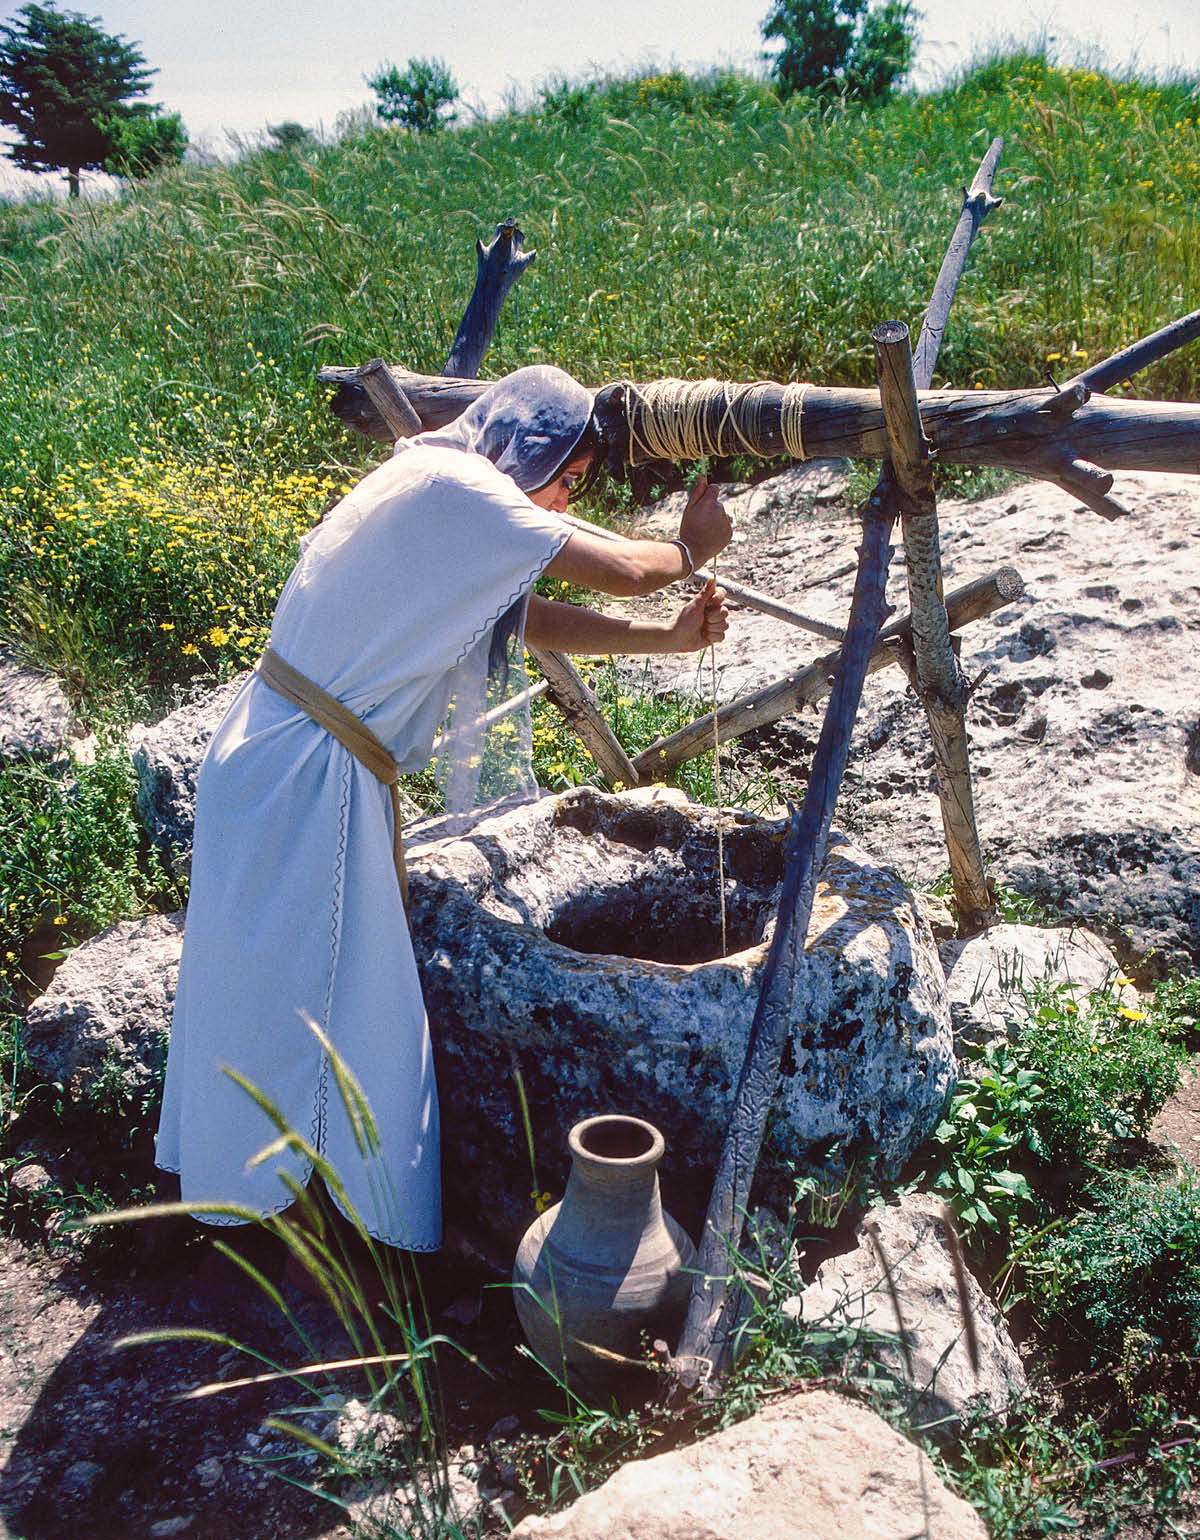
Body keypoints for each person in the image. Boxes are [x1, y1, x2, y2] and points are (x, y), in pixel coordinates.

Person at [155, 365, 732, 1253]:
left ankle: (285, 1213)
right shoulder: (462, 488)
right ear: (528, 444)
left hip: (281, 755)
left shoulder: (432, 476)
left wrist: (667, 635)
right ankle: (297, 1223)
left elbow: (524, 617)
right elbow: (621, 568)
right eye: (568, 476)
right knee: (308, 995)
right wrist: (692, 549)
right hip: (303, 772)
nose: (564, 496)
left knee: (290, 989)